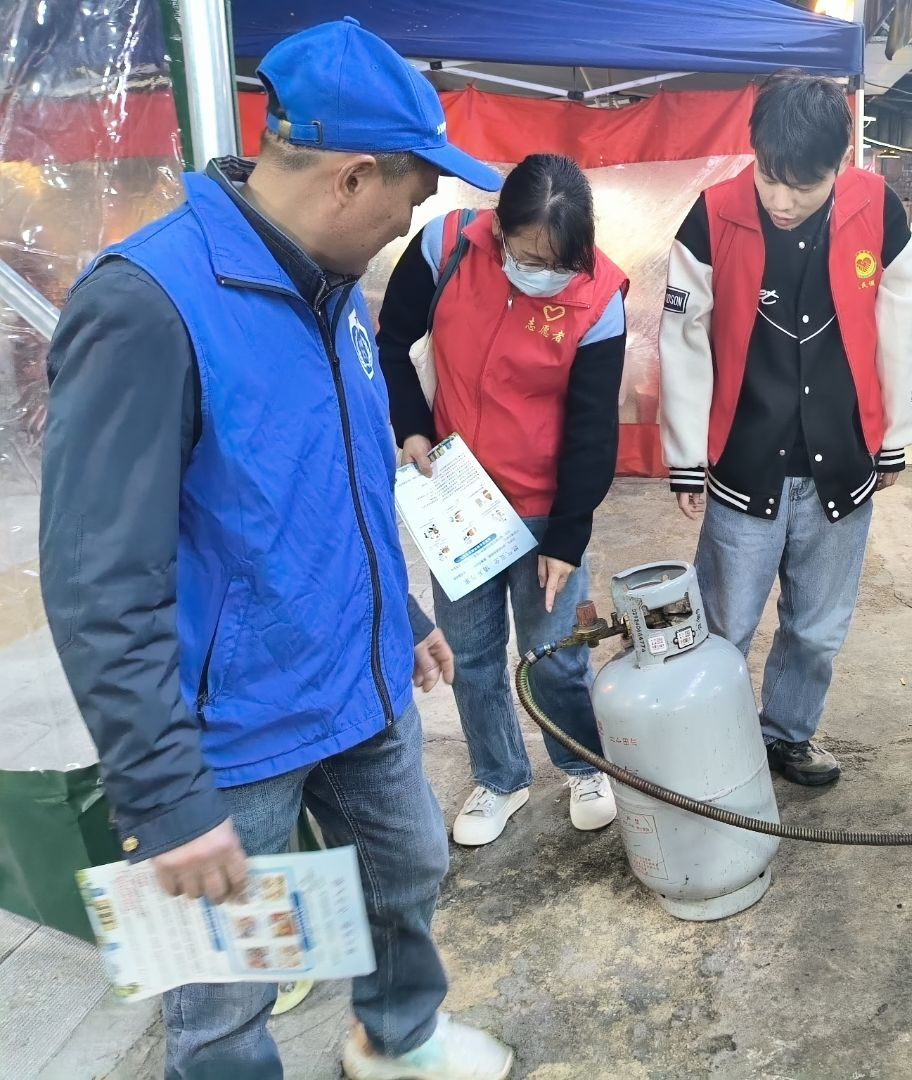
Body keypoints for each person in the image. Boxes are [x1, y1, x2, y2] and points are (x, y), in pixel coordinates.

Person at [39, 19, 516, 1080]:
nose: (410, 221)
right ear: (353, 179)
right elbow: (96, 578)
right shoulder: (148, 305)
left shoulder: (336, 295)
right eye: (411, 196)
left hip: (356, 680)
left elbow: (339, 479)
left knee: (407, 873)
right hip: (235, 731)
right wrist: (164, 793)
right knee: (225, 992)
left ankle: (397, 1039)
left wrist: (404, 614)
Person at [659, 72, 912, 787]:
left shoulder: (878, 210)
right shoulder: (712, 216)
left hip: (843, 460)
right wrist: (686, 454)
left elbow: (900, 327)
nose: (780, 200)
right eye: (769, 177)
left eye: (802, 186)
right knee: (725, 624)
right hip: (746, 459)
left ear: (840, 165)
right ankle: (712, 744)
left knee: (816, 628)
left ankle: (787, 734)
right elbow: (683, 339)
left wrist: (894, 436)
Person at [377, 155, 627, 846]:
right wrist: (412, 427)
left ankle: (583, 765)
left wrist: (567, 537)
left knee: (555, 652)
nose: (543, 274)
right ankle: (499, 776)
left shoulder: (600, 297)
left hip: (546, 501)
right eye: (529, 257)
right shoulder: (445, 247)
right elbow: (391, 343)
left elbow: (593, 430)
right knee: (472, 652)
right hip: (458, 498)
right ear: (498, 228)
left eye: (559, 263)